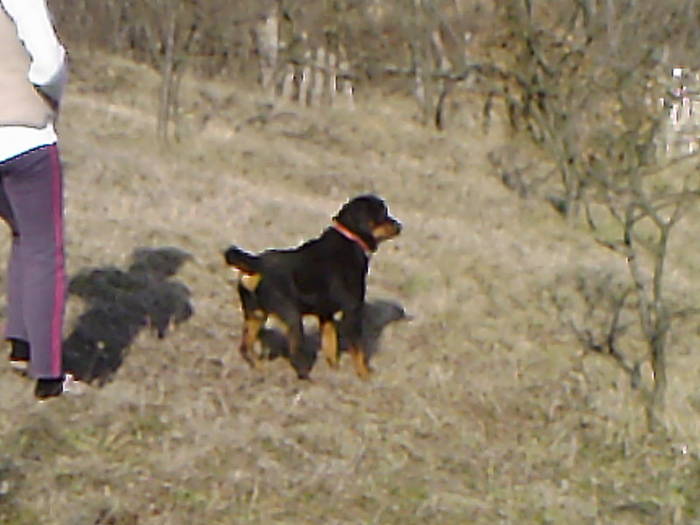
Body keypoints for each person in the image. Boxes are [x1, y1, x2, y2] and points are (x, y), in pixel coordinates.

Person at [0, 0, 69, 399]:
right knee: (45, 249)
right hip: (25, 138)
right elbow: (48, 62)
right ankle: (48, 375)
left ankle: (20, 344)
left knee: (23, 235)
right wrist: (51, 102)